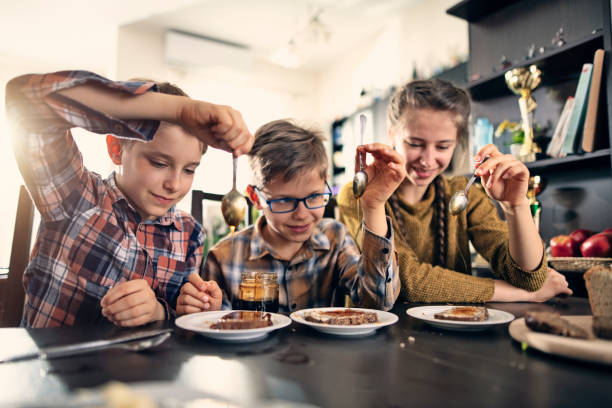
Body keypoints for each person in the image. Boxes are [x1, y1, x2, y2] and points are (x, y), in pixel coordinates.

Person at [6, 70, 253, 327]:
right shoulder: (77, 196)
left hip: (148, 367)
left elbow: (178, 327)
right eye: (159, 163)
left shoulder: (190, 233)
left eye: (189, 169)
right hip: (57, 364)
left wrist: (189, 311)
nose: (175, 184)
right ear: (116, 149)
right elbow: (27, 99)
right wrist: (179, 110)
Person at [336, 79, 572, 303]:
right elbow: (405, 281)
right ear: (392, 134)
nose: (428, 160)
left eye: (443, 146)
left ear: (456, 141)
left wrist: (516, 206)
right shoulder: (360, 195)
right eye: (415, 144)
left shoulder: (464, 194)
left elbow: (528, 277)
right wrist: (524, 295)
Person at [176, 119, 406, 314]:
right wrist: (205, 310)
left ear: (325, 180)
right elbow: (214, 327)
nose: (302, 214)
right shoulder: (223, 258)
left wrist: (374, 206)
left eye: (315, 196)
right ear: (256, 198)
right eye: (284, 200)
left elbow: (378, 302)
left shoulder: (335, 237)